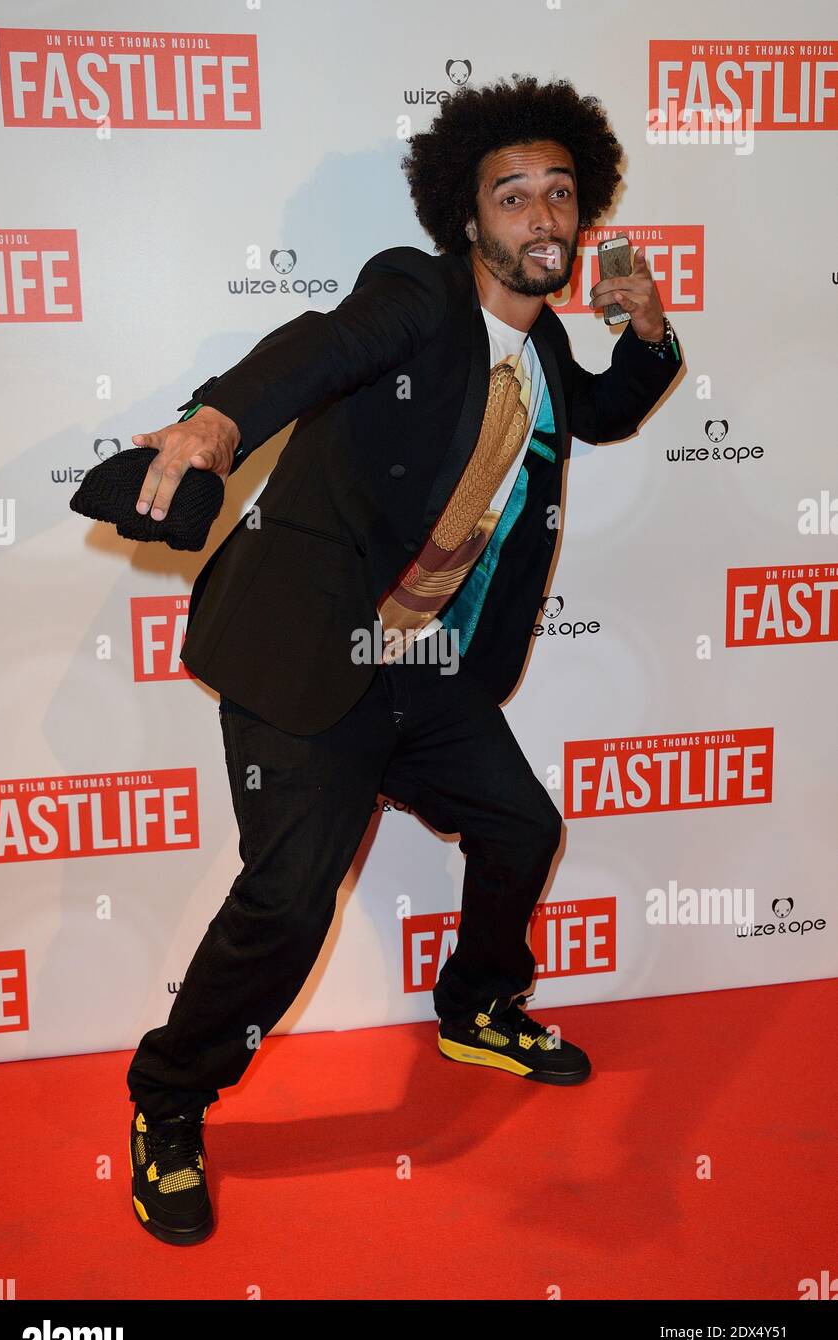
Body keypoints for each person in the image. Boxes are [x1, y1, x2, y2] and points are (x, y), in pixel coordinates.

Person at [125, 74, 683, 1245]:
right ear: (466, 219)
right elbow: (318, 348)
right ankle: (166, 1103)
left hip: (418, 661)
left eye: (558, 196)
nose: (539, 218)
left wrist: (643, 331)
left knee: (522, 826)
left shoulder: (541, 351)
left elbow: (600, 407)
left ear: (580, 220)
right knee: (283, 904)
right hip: (307, 649)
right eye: (511, 196)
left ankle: (477, 1005)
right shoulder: (414, 295)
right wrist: (220, 420)